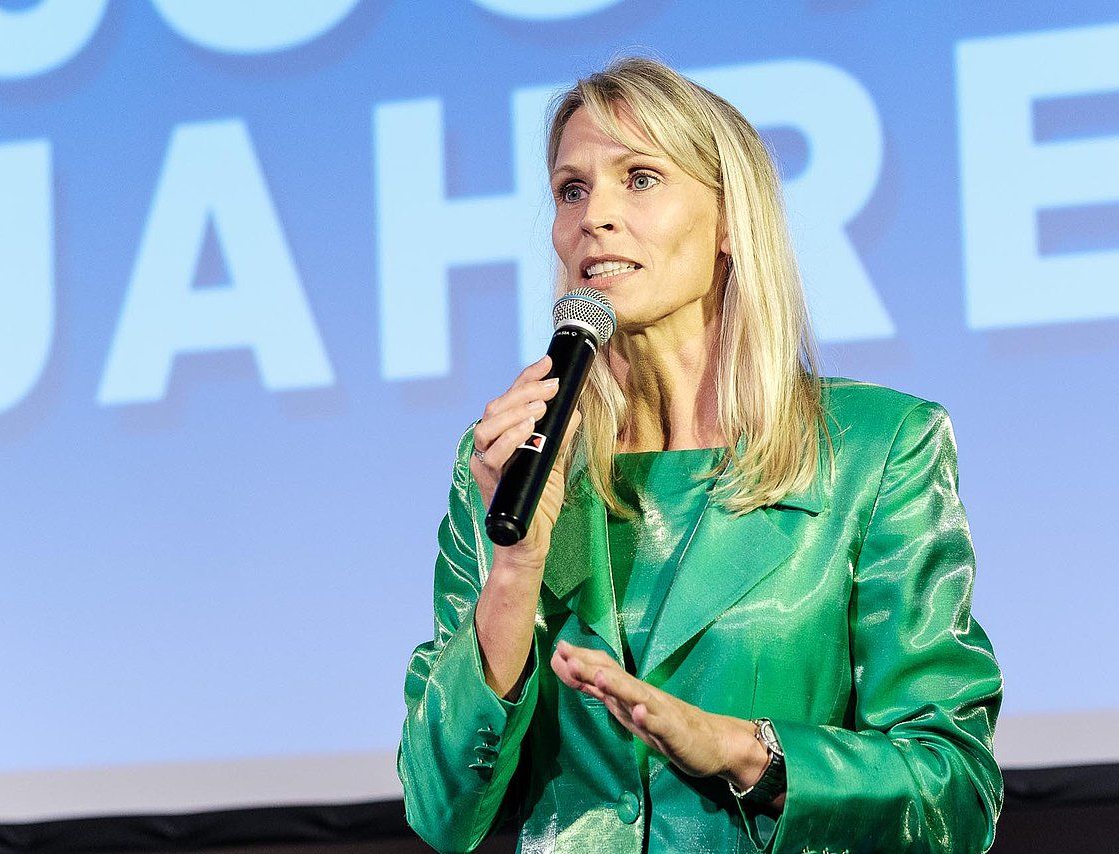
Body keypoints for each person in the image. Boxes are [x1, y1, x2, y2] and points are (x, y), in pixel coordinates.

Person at [398, 56, 1002, 854]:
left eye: (639, 178)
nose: (593, 216)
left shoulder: (877, 451)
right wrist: (515, 571)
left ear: (728, 223)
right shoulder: (510, 465)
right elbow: (442, 815)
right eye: (571, 189)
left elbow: (952, 794)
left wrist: (742, 750)